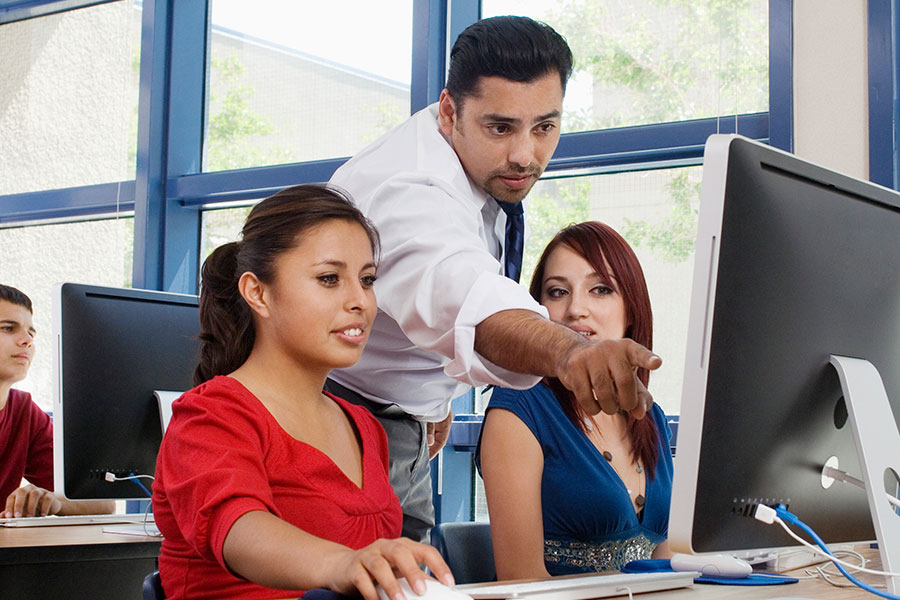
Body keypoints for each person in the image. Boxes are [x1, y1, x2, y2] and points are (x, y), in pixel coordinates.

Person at [327, 15, 661, 542]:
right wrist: (571, 353)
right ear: (448, 112)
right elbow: (467, 298)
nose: (525, 155)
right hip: (342, 426)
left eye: (545, 127)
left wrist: (435, 399)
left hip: (403, 419)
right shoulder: (409, 190)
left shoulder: (477, 163)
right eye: (500, 128)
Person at [151, 185, 453, 600]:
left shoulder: (364, 425)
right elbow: (239, 527)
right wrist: (341, 563)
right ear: (258, 292)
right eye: (329, 279)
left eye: (366, 280)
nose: (360, 301)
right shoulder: (212, 415)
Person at [476, 221, 674, 579]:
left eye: (599, 290)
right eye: (556, 292)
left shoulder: (652, 418)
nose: (575, 310)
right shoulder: (519, 409)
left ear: (631, 309)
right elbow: (523, 583)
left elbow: (666, 562)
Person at [0, 284, 114, 519]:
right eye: (9, 328)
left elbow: (102, 502)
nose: (27, 341)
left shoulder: (25, 413)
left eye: (31, 332)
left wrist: (53, 502)